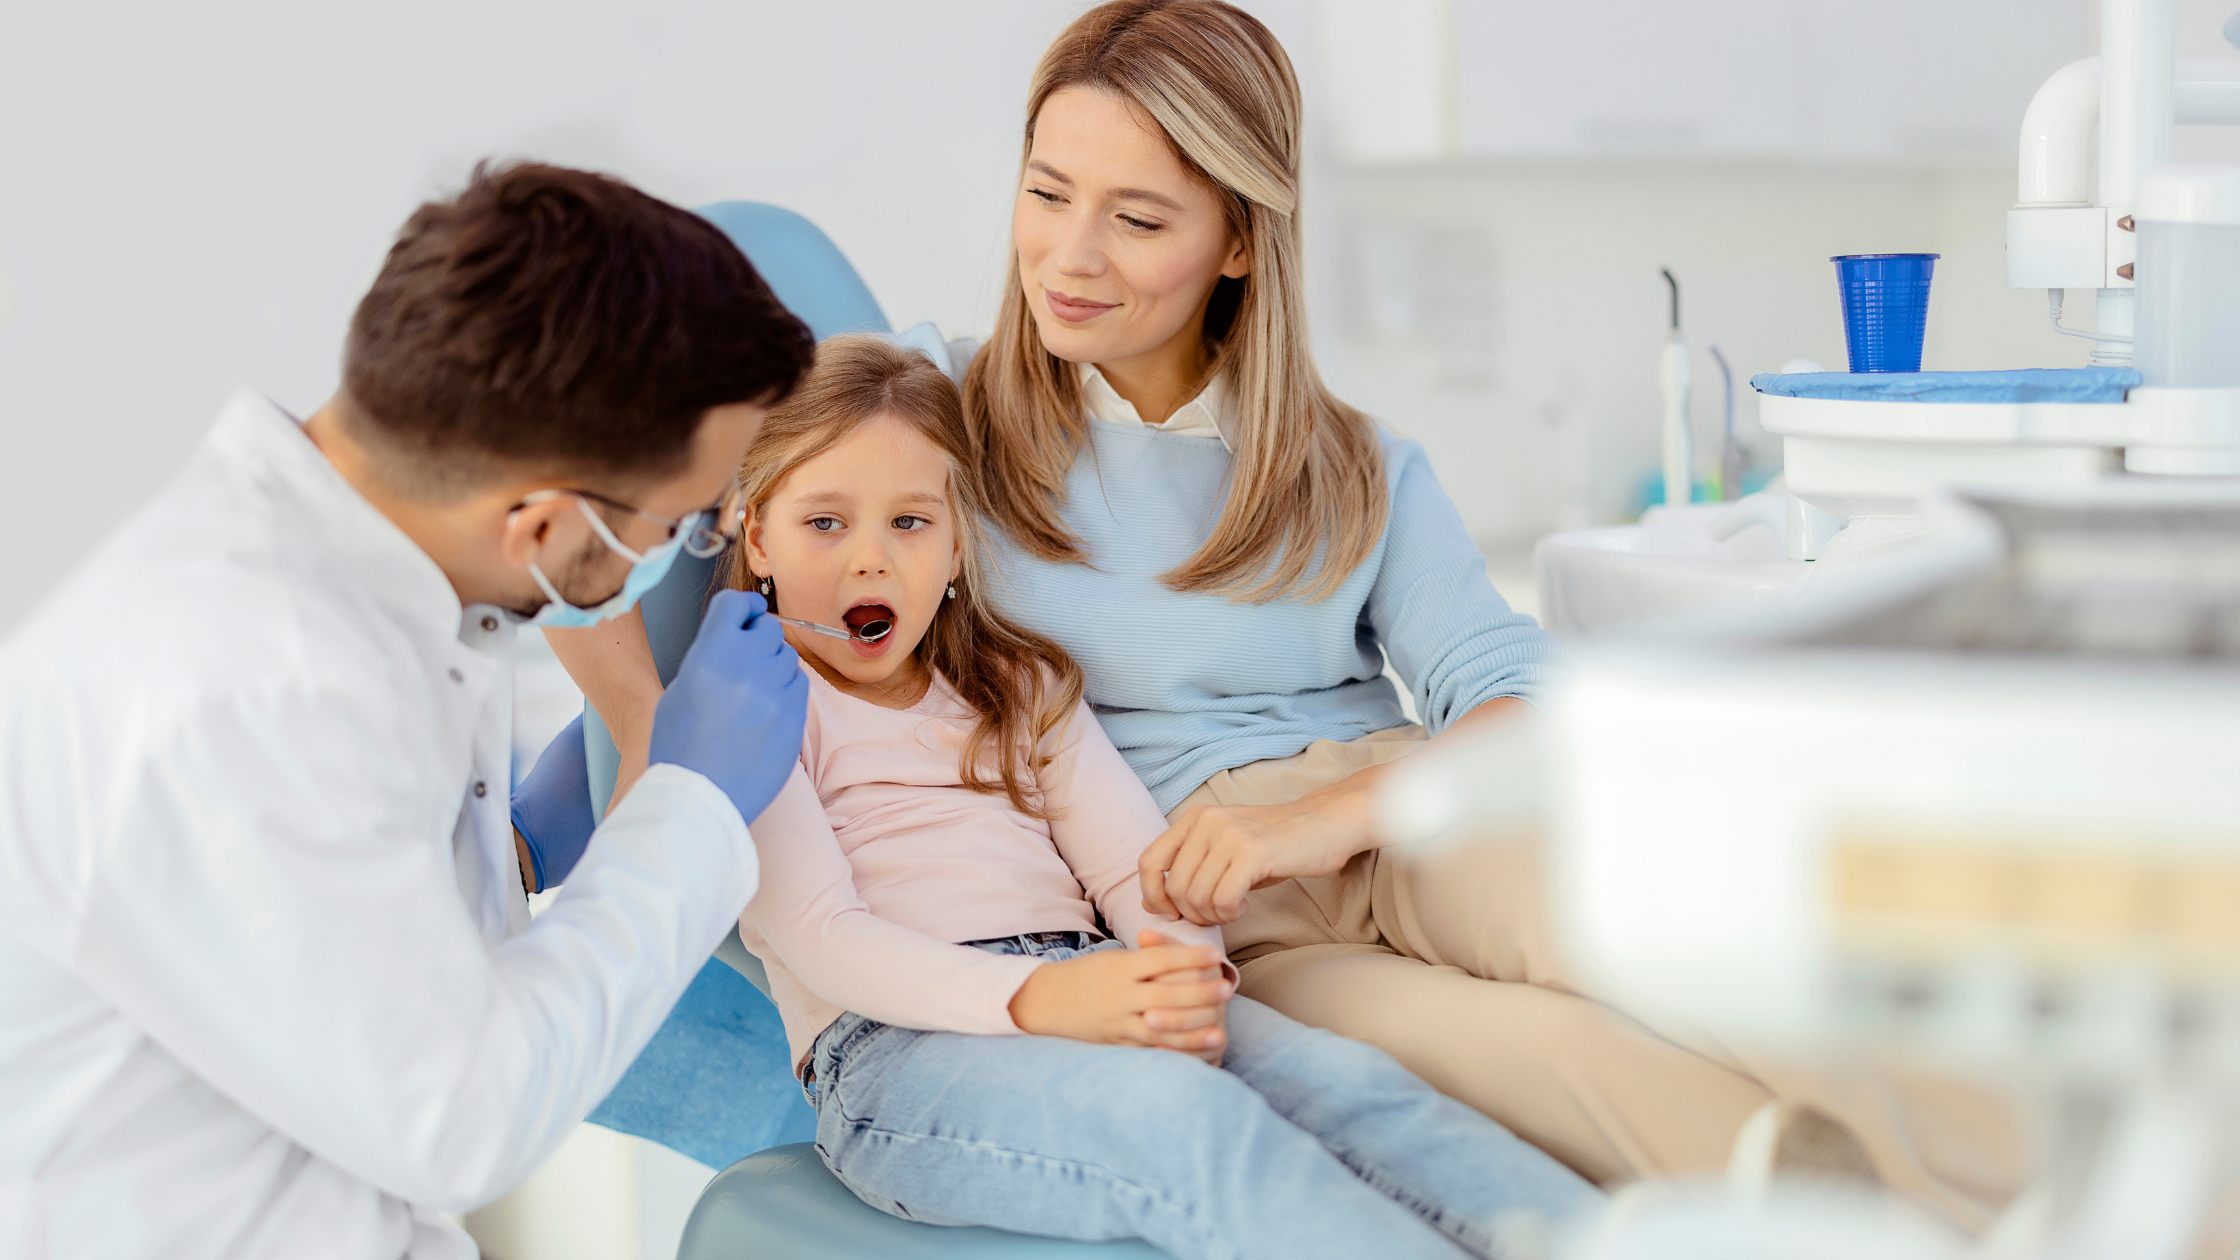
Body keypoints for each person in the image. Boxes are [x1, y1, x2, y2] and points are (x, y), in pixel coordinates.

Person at [557, 0, 2023, 1230]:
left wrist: (1333, 817)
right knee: (1524, 1065)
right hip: (1202, 897)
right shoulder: (933, 426)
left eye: (1136, 218)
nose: (1068, 257)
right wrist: (557, 800)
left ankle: (2073, 1179)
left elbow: (1527, 695)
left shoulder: (1350, 459)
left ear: (1239, 243)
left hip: (1400, 811)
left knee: (1685, 932)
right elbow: (686, 556)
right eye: (1044, 193)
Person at [0, 162, 817, 1260]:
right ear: (535, 523)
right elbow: (461, 1115)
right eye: (683, 524)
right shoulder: (246, 689)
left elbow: (355, 955)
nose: (688, 551)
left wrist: (512, 852)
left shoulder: (379, 587)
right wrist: (688, 805)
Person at [686, 333, 1602, 1258]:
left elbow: (1135, 869)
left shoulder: (1024, 689)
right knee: (1187, 1126)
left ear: (959, 539)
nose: (871, 561)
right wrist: (1050, 999)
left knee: (1360, 1091)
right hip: (895, 1052)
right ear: (757, 534)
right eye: (826, 523)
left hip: (1092, 982)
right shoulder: (754, 708)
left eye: (910, 523)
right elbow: (824, 940)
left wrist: (1182, 979)